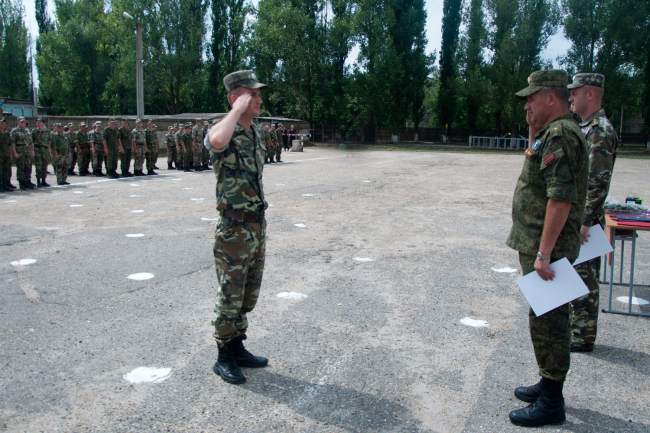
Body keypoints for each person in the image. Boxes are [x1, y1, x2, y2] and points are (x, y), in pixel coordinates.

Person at [506, 70, 588, 427]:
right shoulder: (550, 133)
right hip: (541, 244)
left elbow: (560, 198)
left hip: (548, 249)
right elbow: (535, 166)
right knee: (544, 316)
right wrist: (532, 130)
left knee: (550, 321)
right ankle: (547, 381)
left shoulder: (560, 135)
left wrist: (543, 254)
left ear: (551, 98)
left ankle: (553, 401)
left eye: (532, 98)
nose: (527, 105)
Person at [205, 70, 270, 384]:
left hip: (256, 226)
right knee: (230, 295)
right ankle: (223, 356)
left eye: (258, 94)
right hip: (233, 228)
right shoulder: (223, 129)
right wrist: (234, 110)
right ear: (235, 98)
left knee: (247, 295)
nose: (258, 99)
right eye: (251, 94)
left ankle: (237, 345)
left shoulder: (254, 131)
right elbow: (216, 142)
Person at [567, 73, 618, 353]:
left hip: (586, 220)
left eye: (575, 92)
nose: (570, 97)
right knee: (577, 272)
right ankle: (576, 330)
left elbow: (597, 181)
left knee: (584, 275)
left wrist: (585, 220)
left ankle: (582, 336)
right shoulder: (587, 127)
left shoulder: (600, 130)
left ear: (591, 94)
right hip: (580, 216)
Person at [11, 116, 35, 189]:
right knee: (21, 167)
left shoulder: (27, 130)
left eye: (24, 122)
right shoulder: (14, 131)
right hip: (20, 151)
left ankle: (27, 181)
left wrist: (32, 151)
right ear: (17, 122)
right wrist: (14, 153)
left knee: (28, 167)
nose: (23, 123)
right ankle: (21, 182)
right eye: (21, 122)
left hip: (28, 151)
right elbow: (12, 143)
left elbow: (31, 142)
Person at [31, 118, 51, 187]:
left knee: (44, 165)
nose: (37, 124)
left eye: (39, 123)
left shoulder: (47, 131)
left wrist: (49, 150)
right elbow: (32, 141)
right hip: (37, 149)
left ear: (43, 123)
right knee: (38, 165)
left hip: (45, 149)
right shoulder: (34, 131)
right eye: (37, 123)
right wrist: (33, 150)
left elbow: (49, 141)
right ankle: (38, 181)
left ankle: (43, 180)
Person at [0, 117, 18, 192]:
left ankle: (5, 185)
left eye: (4, 123)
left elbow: (9, 144)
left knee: (6, 170)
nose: (3, 125)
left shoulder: (7, 133)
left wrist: (10, 154)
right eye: (1, 123)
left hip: (6, 154)